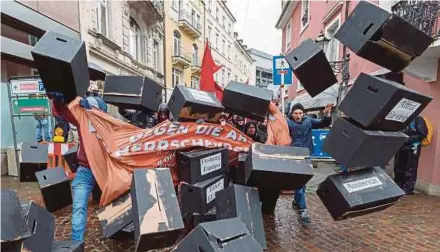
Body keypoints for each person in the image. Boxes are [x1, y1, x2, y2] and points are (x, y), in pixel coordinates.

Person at [49, 91, 107, 241]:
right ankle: (76, 244)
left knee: (116, 205)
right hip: (86, 170)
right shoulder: (82, 121)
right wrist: (57, 101)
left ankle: (118, 232)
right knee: (79, 207)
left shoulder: (109, 125)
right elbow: (62, 113)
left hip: (105, 171)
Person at [287, 103, 333, 224]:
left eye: (300, 113)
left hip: (307, 155)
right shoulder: (287, 122)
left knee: (303, 181)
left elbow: (324, 123)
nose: (298, 115)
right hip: (293, 155)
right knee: (299, 182)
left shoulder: (308, 121)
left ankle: (297, 201)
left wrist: (327, 113)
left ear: (304, 113)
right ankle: (303, 209)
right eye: (296, 113)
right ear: (291, 114)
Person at [394, 116, 428, 195]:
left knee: (410, 169)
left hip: (412, 148)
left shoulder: (418, 119)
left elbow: (422, 134)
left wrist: (407, 139)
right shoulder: (401, 118)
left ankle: (408, 189)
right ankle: (398, 187)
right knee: (398, 168)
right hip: (400, 147)